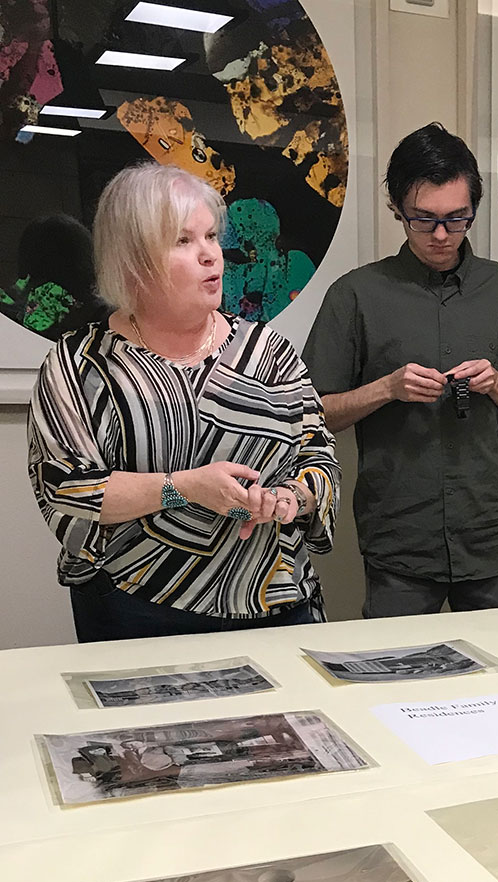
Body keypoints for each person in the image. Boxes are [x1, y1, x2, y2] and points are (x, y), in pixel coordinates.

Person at [27, 163, 340, 642]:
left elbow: (319, 457)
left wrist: (290, 499)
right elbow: (65, 492)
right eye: (183, 241)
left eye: (212, 236)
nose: (211, 256)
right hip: (137, 613)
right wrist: (183, 488)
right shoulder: (80, 366)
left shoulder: (269, 352)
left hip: (278, 607)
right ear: (132, 258)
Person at [303, 122, 498, 618]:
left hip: (489, 537)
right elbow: (313, 415)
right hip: (400, 538)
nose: (441, 235)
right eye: (424, 220)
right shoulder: (356, 295)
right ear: (397, 209)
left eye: (456, 219)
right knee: (392, 684)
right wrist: (386, 389)